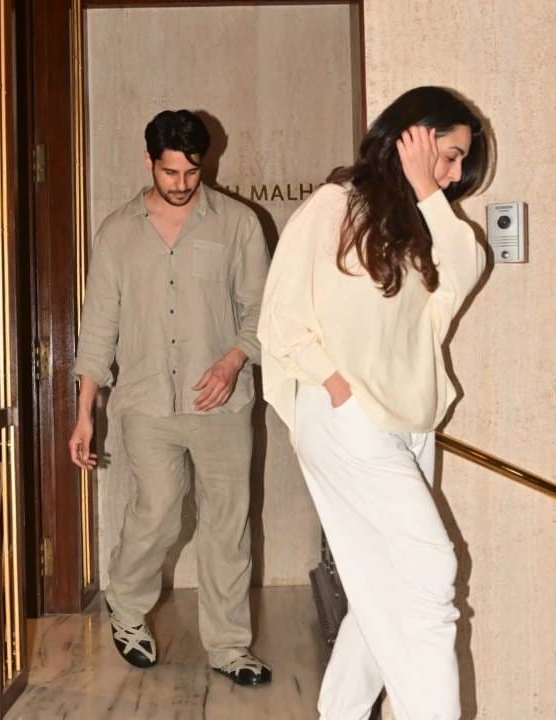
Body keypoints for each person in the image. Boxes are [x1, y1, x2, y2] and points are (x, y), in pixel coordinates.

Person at [258, 86, 488, 719]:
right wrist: (335, 385)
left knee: (379, 586)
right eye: (449, 155)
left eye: (460, 163)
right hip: (347, 416)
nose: (454, 174)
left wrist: (429, 190)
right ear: (411, 137)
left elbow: (468, 267)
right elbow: (280, 318)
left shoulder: (424, 223)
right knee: (431, 572)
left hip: (411, 423)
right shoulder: (335, 205)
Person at [68, 109, 272, 686]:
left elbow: (262, 310)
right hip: (146, 400)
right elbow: (98, 327)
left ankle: (230, 647)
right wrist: (84, 415)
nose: (181, 183)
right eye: (169, 171)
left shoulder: (238, 224)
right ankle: (127, 606)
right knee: (156, 513)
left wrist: (234, 360)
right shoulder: (117, 232)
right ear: (149, 161)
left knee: (228, 525)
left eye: (191, 171)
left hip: (222, 403)